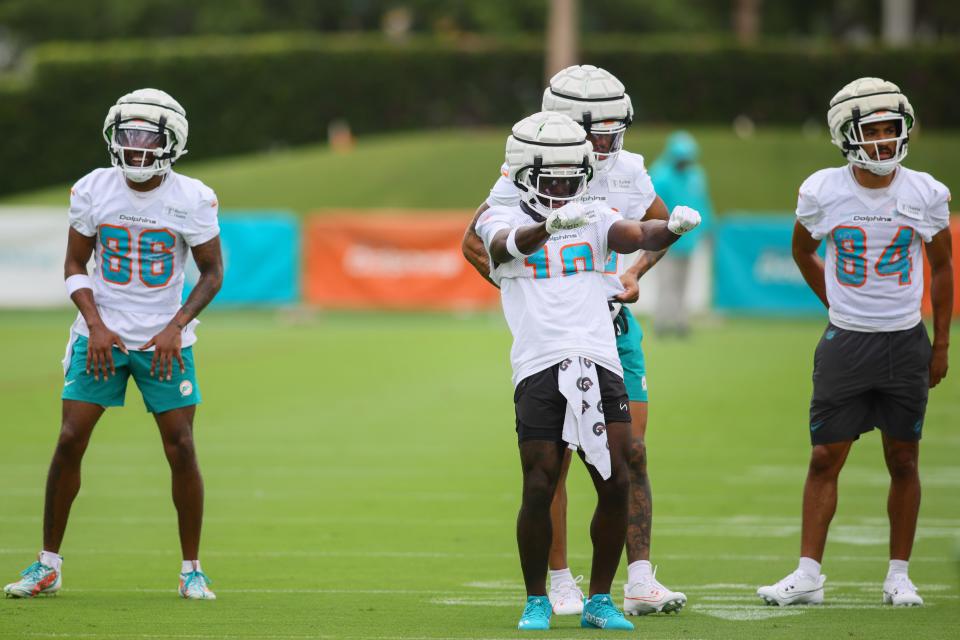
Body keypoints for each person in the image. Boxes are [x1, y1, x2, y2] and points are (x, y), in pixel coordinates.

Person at [462, 64, 687, 616]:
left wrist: (633, 274)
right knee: (550, 463)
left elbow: (651, 229)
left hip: (609, 329)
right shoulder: (521, 175)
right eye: (599, 131)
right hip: (547, 340)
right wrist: (523, 282)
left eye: (615, 130)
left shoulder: (628, 171)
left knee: (629, 453)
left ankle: (637, 578)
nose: (609, 143)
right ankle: (557, 580)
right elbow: (477, 242)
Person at [3, 88, 224, 600]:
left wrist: (177, 324)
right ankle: (47, 564)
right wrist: (96, 323)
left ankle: (192, 568)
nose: (136, 147)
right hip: (99, 335)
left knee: (182, 447)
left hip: (164, 340)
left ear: (173, 141)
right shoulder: (92, 188)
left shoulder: (192, 196)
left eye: (148, 137)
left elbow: (212, 274)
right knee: (68, 439)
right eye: (128, 135)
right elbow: (75, 265)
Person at [757, 77, 952, 607]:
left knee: (904, 459)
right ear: (847, 135)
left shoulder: (926, 192)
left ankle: (898, 574)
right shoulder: (823, 190)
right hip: (847, 343)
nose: (886, 141)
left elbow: (940, 269)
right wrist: (836, 305)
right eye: (875, 131)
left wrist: (940, 345)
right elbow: (802, 251)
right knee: (825, 456)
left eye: (893, 130)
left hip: (904, 342)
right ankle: (808, 575)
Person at [648, 131, 714, 337]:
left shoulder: (696, 175)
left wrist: (708, 227)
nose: (684, 162)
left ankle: (680, 322)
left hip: (689, 240)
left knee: (683, 283)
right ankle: (661, 322)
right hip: (664, 239)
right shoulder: (660, 175)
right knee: (666, 282)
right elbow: (652, 207)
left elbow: (703, 203)